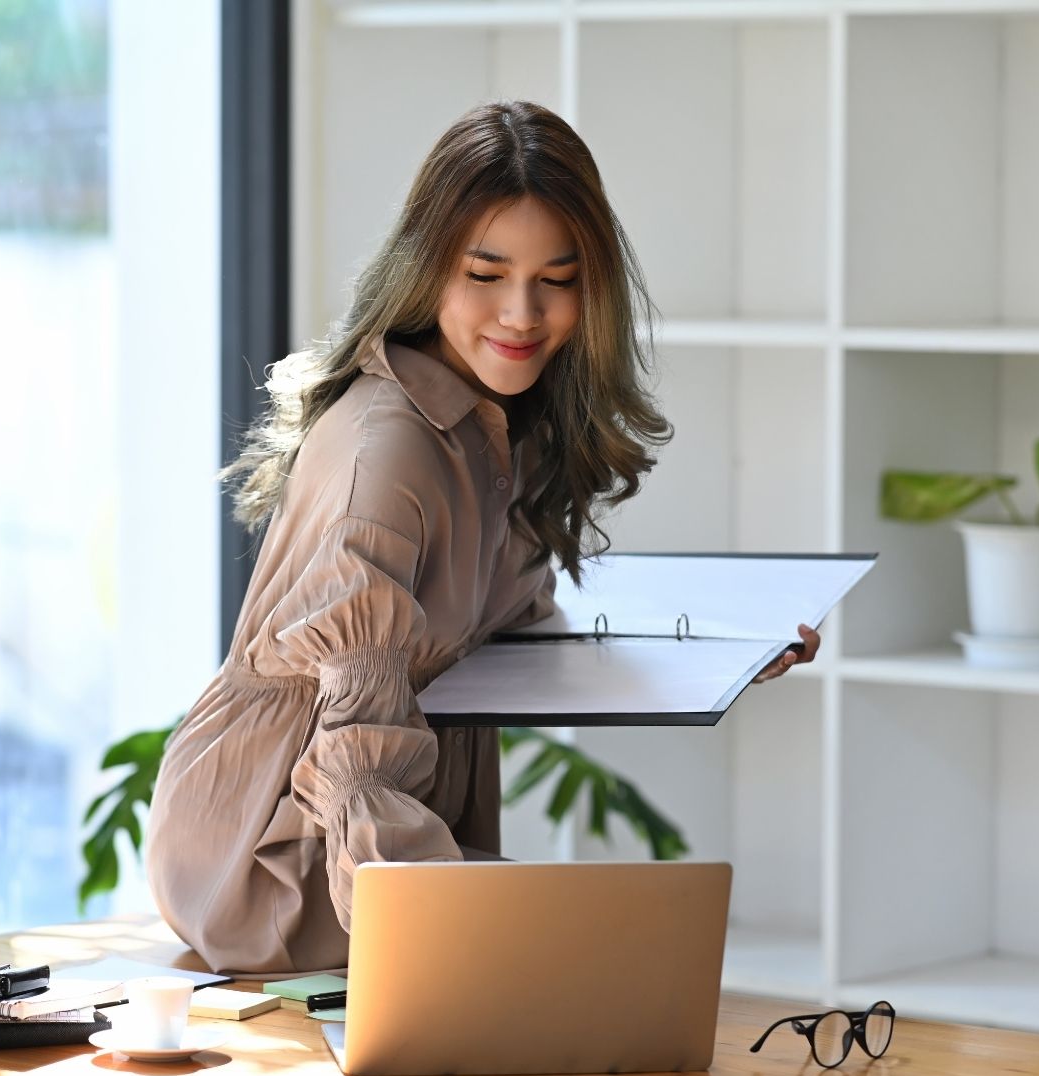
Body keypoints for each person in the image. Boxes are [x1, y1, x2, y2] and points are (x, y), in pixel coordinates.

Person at [144, 99, 821, 977]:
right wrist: (448, 951)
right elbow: (354, 764)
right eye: (486, 274)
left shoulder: (499, 423)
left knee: (621, 964)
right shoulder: (388, 456)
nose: (523, 313)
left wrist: (721, 653)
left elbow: (505, 632)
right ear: (427, 270)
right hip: (275, 851)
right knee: (608, 960)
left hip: (384, 811)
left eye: (559, 278)